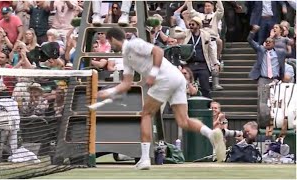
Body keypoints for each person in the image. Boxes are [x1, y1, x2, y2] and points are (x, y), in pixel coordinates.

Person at [97, 27, 226, 170]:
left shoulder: (134, 44)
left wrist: (152, 74)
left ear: (113, 39)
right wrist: (109, 92)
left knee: (145, 114)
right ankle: (211, 134)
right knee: (183, 121)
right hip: (177, 79)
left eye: (109, 42)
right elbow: (126, 83)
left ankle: (145, 159)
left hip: (164, 79)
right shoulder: (126, 56)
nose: (110, 46)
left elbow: (158, 51)